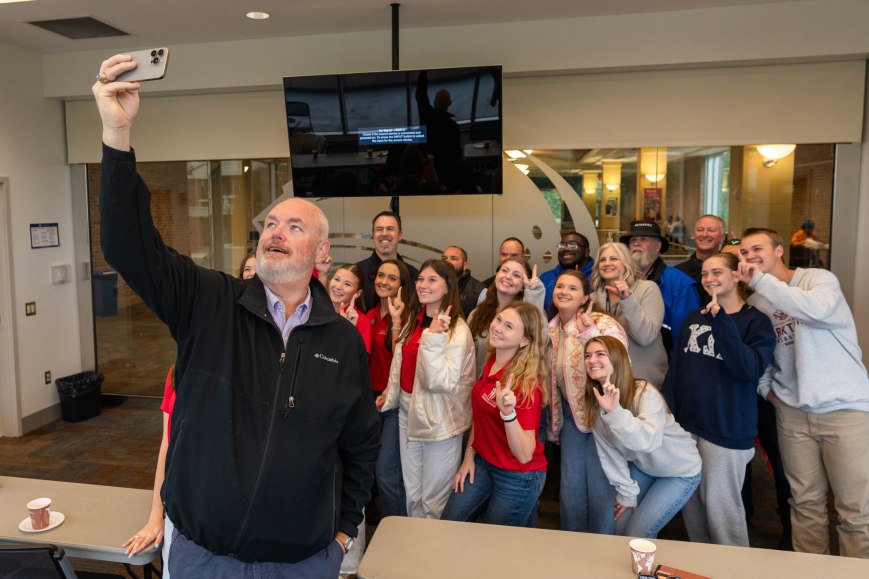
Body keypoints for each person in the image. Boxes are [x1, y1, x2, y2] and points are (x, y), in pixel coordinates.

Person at [94, 54, 379, 575]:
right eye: (271, 223)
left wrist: (342, 533)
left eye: (294, 227)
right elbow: (126, 244)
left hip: (301, 560)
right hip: (204, 556)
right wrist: (117, 134)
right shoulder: (209, 303)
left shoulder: (343, 341)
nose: (275, 230)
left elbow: (359, 444)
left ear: (322, 254)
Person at [738, 227, 869, 558]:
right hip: (793, 414)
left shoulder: (818, 280)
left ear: (779, 250)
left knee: (855, 511)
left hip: (845, 410)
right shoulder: (756, 301)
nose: (750, 256)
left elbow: (814, 310)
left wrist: (761, 282)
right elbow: (760, 357)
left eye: (757, 249)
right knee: (805, 505)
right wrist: (768, 390)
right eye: (744, 252)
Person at [663, 252, 775, 546]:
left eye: (717, 272)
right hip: (688, 427)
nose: (709, 279)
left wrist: (722, 322)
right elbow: (677, 369)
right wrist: (670, 418)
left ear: (737, 275)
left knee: (722, 510)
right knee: (693, 506)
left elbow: (748, 370)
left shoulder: (756, 323)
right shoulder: (692, 318)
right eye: (705, 274)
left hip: (726, 429)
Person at [379, 259, 476, 519]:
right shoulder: (416, 320)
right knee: (413, 494)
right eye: (421, 279)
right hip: (407, 412)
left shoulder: (457, 330)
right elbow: (401, 363)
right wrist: (390, 396)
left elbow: (439, 383)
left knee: (434, 501)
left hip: (440, 420)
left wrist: (433, 337)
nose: (423, 284)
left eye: (432, 280)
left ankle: (432, 556)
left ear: (448, 288)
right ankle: (414, 551)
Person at [441, 302, 550, 527]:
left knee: (497, 543)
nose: (498, 328)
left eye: (509, 326)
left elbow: (524, 454)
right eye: (499, 320)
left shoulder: (525, 384)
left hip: (518, 476)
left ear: (524, 340)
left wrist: (508, 414)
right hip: (484, 463)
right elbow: (480, 419)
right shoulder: (492, 362)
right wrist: (469, 456)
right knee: (450, 523)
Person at [584, 336, 701, 538]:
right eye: (587, 355)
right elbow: (610, 454)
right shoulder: (596, 403)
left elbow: (648, 441)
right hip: (645, 469)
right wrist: (627, 494)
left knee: (637, 533)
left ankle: (644, 570)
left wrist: (615, 413)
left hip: (679, 471)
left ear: (616, 359)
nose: (592, 360)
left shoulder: (644, 393)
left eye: (600, 354)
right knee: (619, 525)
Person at [547, 270, 627, 534]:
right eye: (560, 286)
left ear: (585, 297)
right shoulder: (552, 327)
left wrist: (588, 334)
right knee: (571, 488)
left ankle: (601, 545)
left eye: (572, 288)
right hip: (571, 417)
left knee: (600, 487)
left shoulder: (603, 324)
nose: (564, 292)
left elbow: (617, 364)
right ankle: (573, 546)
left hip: (601, 416)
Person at [365, 259, 413, 518]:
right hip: (368, 402)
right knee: (369, 467)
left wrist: (395, 321)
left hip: (393, 403)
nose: (384, 281)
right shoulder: (368, 315)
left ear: (402, 286)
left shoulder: (409, 319)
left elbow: (400, 359)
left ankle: (399, 528)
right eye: (380, 275)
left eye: (391, 278)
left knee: (387, 473)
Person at [590, 242, 668, 387]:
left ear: (625, 262)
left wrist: (627, 299)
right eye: (602, 260)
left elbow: (645, 337)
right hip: (607, 382)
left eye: (614, 259)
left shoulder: (647, 289)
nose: (607, 263)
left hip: (642, 382)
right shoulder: (592, 299)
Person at [620, 220, 699, 354]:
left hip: (662, 367)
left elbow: (686, 336)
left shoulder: (681, 285)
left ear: (657, 246)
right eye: (633, 240)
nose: (637, 243)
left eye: (643, 239)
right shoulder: (619, 282)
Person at [467, 258, 544, 376]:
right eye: (504, 271)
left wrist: (533, 296)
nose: (508, 277)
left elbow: (539, 341)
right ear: (496, 275)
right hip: (478, 386)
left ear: (523, 286)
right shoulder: (477, 313)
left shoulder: (530, 314)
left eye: (516, 275)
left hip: (510, 386)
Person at [356, 210, 420, 308]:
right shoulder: (357, 272)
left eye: (390, 229)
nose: (384, 233)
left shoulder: (413, 275)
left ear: (400, 236)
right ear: (373, 235)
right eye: (379, 229)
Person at [415, 70, 462, 191]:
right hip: (447, 173)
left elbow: (420, 95)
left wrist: (424, 71)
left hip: (426, 169)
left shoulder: (426, 116)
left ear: (434, 102)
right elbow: (457, 154)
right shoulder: (453, 127)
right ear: (450, 103)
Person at [675, 214, 727, 305]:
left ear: (722, 237)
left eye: (711, 230)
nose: (704, 234)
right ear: (694, 235)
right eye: (700, 230)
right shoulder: (677, 272)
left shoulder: (730, 270)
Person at [540, 231, 595, 312]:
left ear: (586, 252)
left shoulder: (597, 278)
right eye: (561, 246)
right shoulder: (546, 278)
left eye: (572, 245)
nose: (565, 249)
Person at [327, 263, 371, 353]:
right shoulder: (317, 310)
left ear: (358, 293)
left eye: (347, 284)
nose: (338, 287)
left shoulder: (361, 321)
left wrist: (347, 329)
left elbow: (359, 360)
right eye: (336, 279)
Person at [442, 245, 485, 318]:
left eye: (453, 258)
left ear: (465, 265)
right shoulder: (434, 285)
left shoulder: (480, 291)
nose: (447, 261)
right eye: (444, 258)